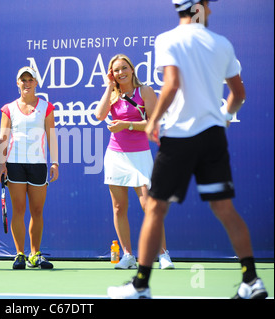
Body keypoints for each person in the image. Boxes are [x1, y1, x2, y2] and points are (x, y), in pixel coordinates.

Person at [108, 0, 268, 299]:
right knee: (224, 208)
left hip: (180, 137)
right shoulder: (221, 43)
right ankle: (251, 279)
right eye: (209, 5)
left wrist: (153, 121)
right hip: (212, 137)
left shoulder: (168, 39)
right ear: (199, 7)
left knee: (155, 208)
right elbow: (239, 94)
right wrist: (223, 118)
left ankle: (141, 285)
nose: (212, 10)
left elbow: (171, 85)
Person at [95, 54, 174, 270]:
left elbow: (154, 123)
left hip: (140, 155)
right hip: (115, 155)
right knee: (119, 207)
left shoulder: (145, 91)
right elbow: (99, 115)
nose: (120, 73)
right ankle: (128, 255)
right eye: (116, 70)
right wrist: (109, 87)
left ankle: (163, 254)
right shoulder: (112, 93)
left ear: (132, 69)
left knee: (149, 206)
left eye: (123, 68)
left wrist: (127, 125)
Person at [0, 67, 59, 270]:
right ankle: (20, 254)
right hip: (14, 165)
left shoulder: (46, 107)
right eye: (23, 80)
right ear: (18, 83)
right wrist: (1, 164)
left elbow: (51, 136)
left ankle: (35, 254)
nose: (26, 83)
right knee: (19, 210)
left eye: (30, 79)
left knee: (37, 211)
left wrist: (55, 162)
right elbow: (3, 137)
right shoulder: (9, 108)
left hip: (38, 164)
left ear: (36, 83)